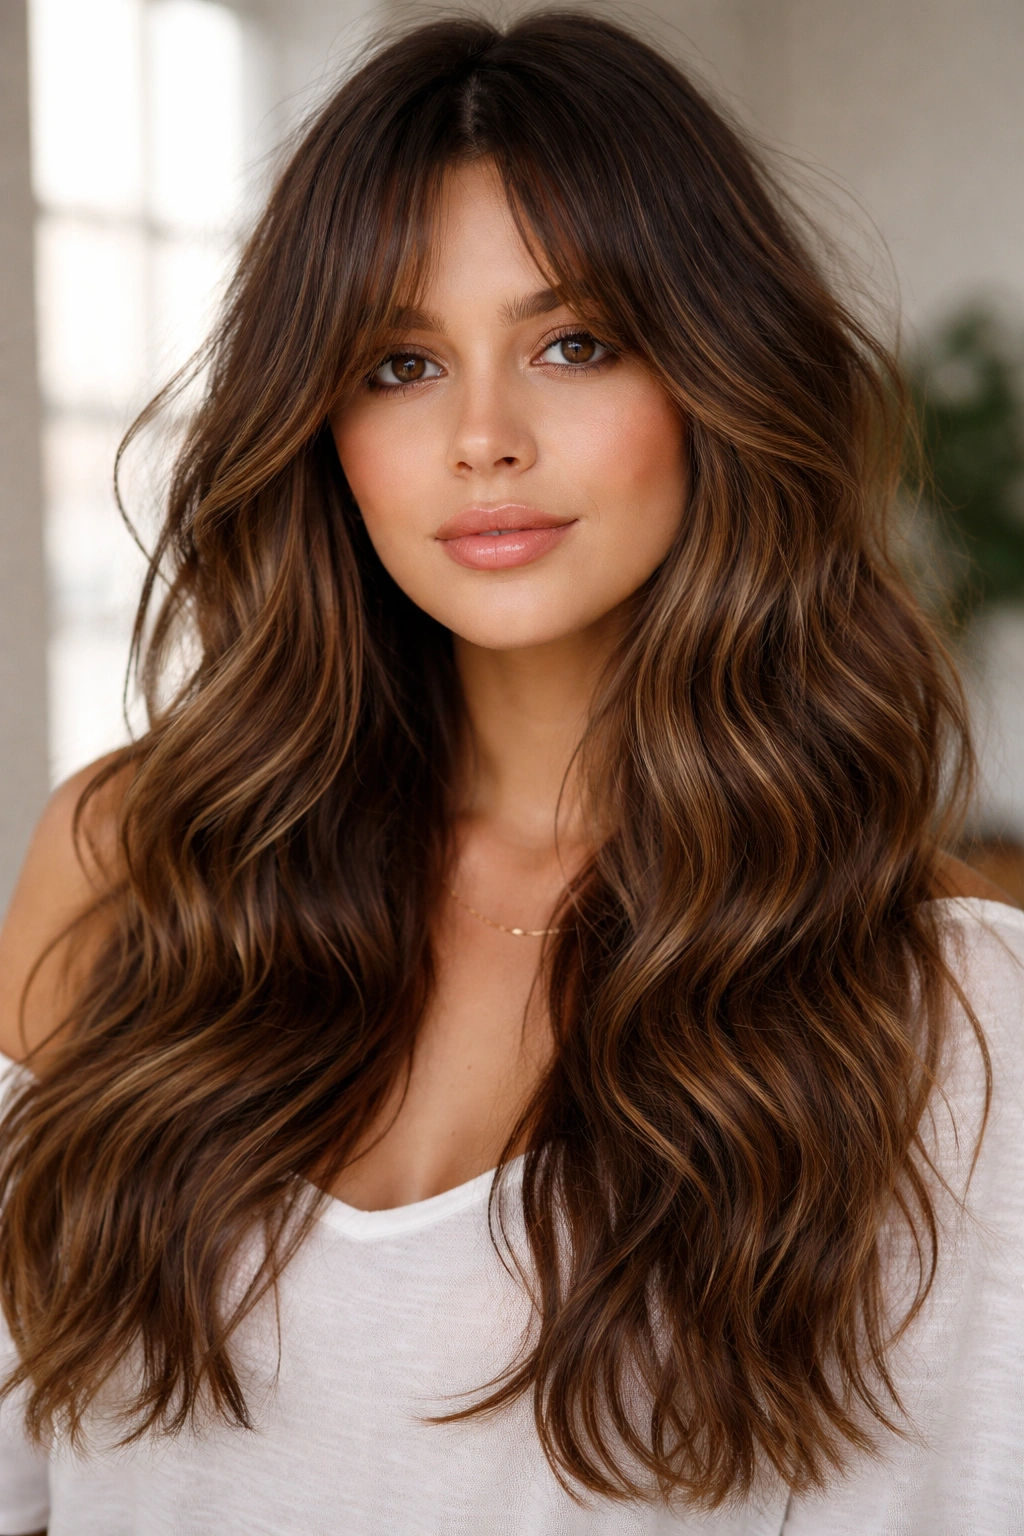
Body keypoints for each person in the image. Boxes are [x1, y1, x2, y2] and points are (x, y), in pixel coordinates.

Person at [0, 12, 1021, 1534]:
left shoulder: (960, 1015)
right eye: (400, 362)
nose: (483, 436)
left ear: (713, 379)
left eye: (573, 344)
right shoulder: (135, 859)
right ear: (321, 426)